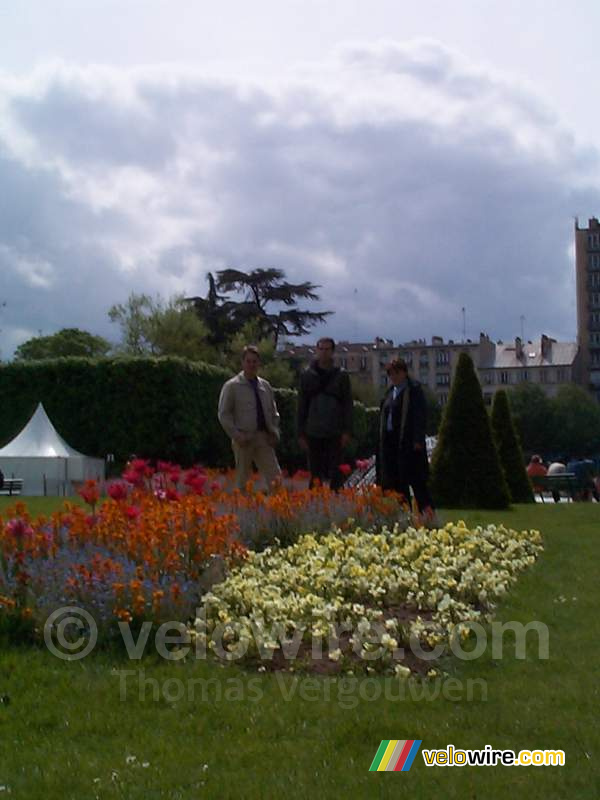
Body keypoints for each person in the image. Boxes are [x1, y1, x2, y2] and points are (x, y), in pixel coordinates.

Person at [218, 345, 281, 492]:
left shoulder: (265, 386)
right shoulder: (232, 386)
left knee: (275, 478)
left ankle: (277, 505)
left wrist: (274, 432)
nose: (251, 365)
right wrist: (236, 435)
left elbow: (274, 412)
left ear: (259, 363)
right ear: (242, 362)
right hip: (243, 438)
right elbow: (224, 414)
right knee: (243, 480)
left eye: (254, 361)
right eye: (248, 361)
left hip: (263, 437)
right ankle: (242, 506)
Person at [377, 357, 435, 517]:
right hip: (392, 444)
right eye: (391, 374)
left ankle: (428, 517)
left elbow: (419, 415)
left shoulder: (413, 390)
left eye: (397, 373)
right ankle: (405, 517)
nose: (394, 377)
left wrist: (417, 440)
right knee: (398, 484)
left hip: (409, 444)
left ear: (404, 372)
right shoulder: (390, 393)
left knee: (418, 483)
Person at [297, 337, 353, 490]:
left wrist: (347, 431)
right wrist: (300, 433)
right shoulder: (307, 375)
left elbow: (348, 404)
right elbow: (302, 405)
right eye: (321, 349)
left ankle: (337, 502)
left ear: (333, 351)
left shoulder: (341, 375)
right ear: (317, 350)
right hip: (313, 431)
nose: (324, 352)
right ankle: (316, 502)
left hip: (335, 431)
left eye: (327, 349)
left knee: (336, 474)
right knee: (315, 475)